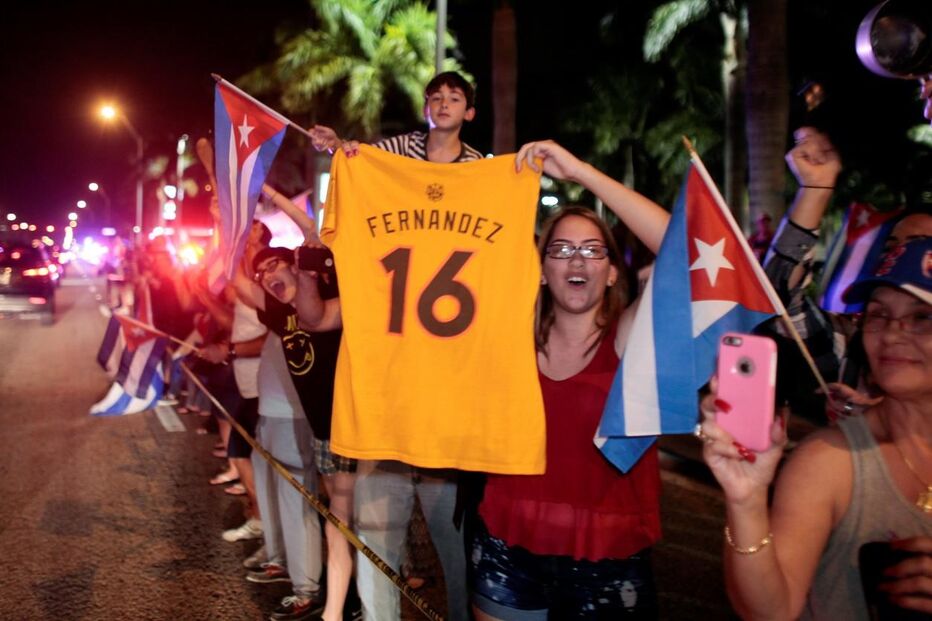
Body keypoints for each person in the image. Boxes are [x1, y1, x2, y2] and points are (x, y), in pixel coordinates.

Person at [305, 70, 485, 621]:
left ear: (469, 112)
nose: (444, 103)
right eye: (436, 97)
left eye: (455, 97)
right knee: (377, 534)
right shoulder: (398, 150)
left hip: (445, 390)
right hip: (389, 381)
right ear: (426, 108)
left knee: (454, 546)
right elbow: (359, 165)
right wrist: (337, 148)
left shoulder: (482, 169)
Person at [465, 140, 670, 619]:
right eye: (560, 249)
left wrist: (581, 172)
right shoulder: (509, 339)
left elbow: (684, 246)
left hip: (608, 560)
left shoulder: (628, 340)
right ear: (540, 271)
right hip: (506, 548)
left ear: (614, 273)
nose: (576, 260)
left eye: (592, 251)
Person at [697, 237, 932, 620]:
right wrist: (747, 500)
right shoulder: (829, 461)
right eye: (878, 315)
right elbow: (770, 611)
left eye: (922, 317)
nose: (892, 335)